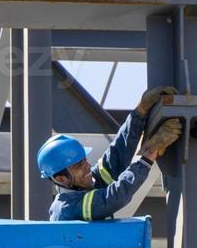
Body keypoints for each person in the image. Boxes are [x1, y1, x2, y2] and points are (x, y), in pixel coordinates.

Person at [38, 86, 184, 222]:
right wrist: (150, 154)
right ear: (61, 178)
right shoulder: (67, 208)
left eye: (84, 161)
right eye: (78, 166)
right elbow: (113, 198)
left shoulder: (84, 185)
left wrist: (140, 111)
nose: (88, 167)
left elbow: (116, 156)